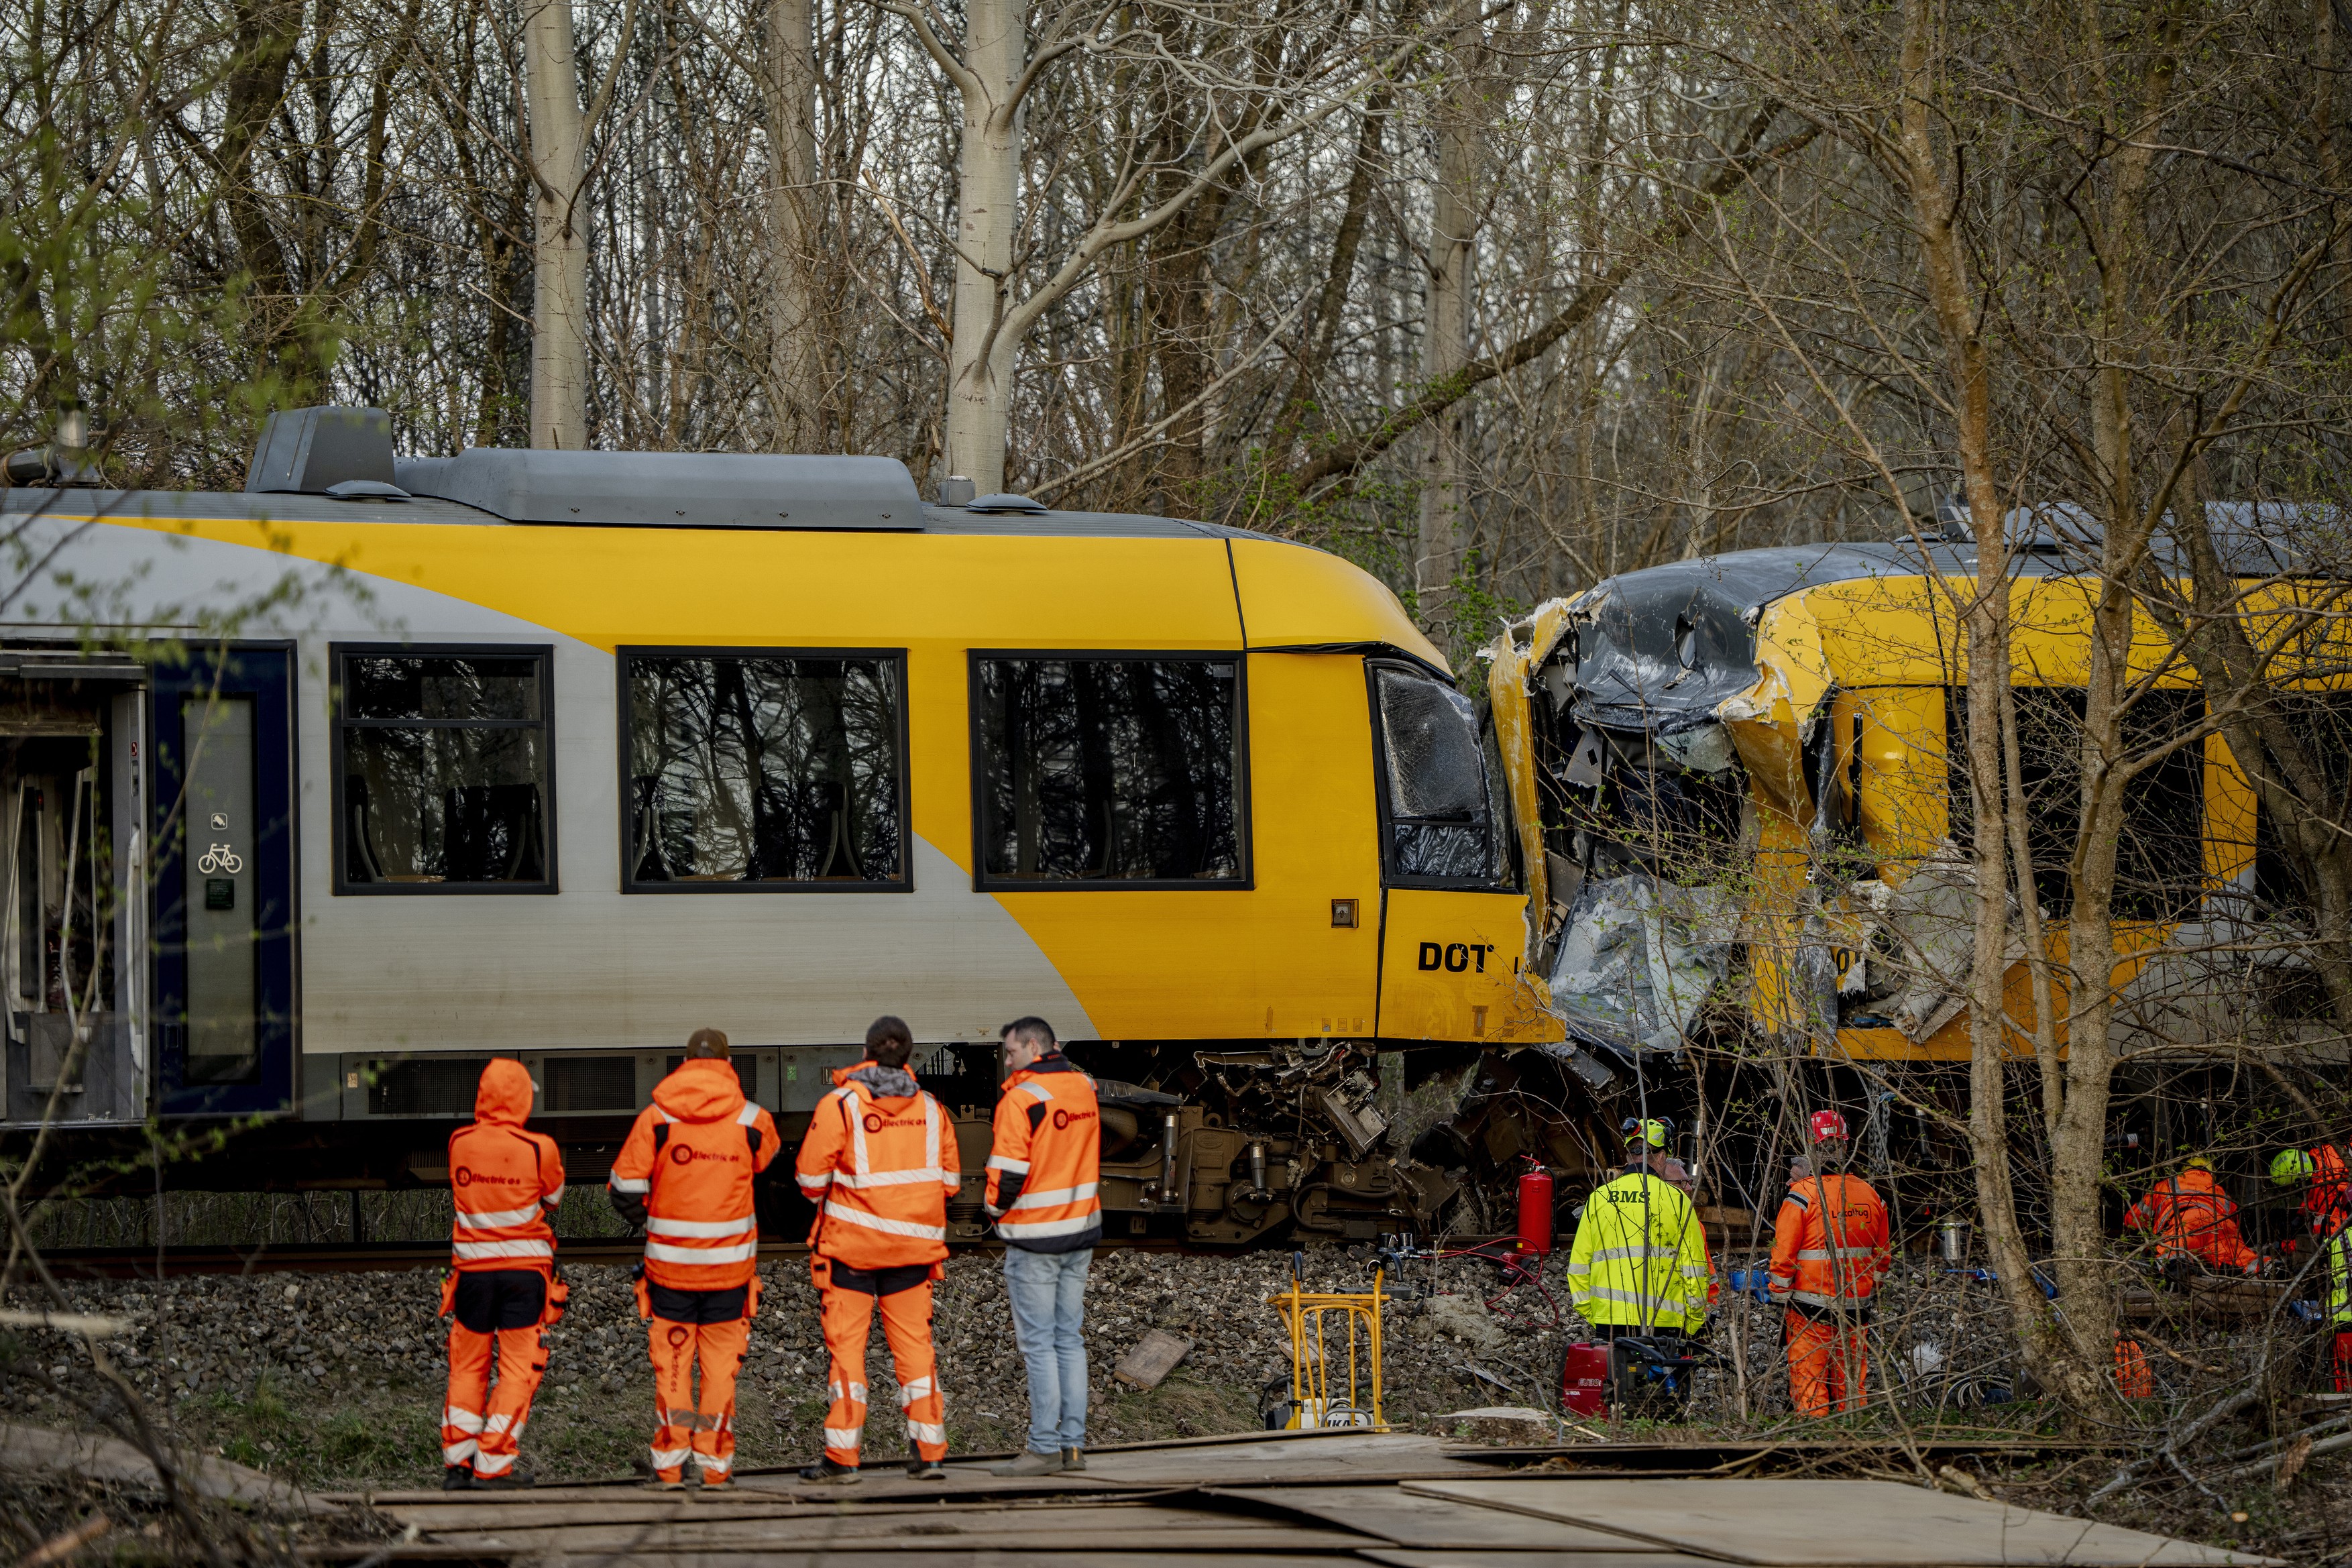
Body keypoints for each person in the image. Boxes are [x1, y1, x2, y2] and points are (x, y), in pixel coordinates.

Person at [608, 1028, 780, 1490]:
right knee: (720, 1372)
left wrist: (657, 1215)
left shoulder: (657, 1118)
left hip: (671, 1277)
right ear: (729, 1064)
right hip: (730, 1277)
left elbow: (623, 1190)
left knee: (674, 1368)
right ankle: (714, 1467)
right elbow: (765, 1161)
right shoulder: (752, 1120)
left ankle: (669, 1466)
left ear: (683, 1062)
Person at [793, 1015, 962, 1484]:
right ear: (909, 1056)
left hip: (851, 1252)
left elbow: (808, 1181)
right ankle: (929, 1454)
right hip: (912, 1253)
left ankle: (843, 1460)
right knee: (915, 1350)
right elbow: (949, 1183)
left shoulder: (840, 1105)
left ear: (866, 1053)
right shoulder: (932, 1109)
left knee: (847, 1352)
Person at [441, 1058, 566, 1490]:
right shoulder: (540, 1148)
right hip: (523, 1278)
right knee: (517, 1371)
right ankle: (492, 1465)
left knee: (467, 1368)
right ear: (523, 1098)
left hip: (471, 1277)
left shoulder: (459, 1141)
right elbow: (553, 1198)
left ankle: (457, 1467)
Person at [985, 1017, 1103, 1477]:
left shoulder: (1022, 1098)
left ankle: (1042, 1447)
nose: (1007, 1061)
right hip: (1080, 1233)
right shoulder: (1083, 1088)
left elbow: (1007, 1175)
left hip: (1036, 1239)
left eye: (1010, 1053)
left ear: (1033, 1046)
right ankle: (1073, 1447)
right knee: (1068, 1341)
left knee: (1039, 1346)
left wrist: (993, 1210)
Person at [1565, 1117, 1714, 1409]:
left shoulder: (1599, 1199)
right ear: (1660, 1156)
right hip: (1666, 1325)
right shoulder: (1677, 1201)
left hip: (1610, 1322)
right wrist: (1694, 1321)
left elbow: (1578, 1267)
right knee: (1664, 1403)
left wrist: (1592, 1315)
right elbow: (1695, 1270)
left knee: (1616, 1399)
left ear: (1628, 1155)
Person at [1767, 1110, 1890, 1418]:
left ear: (1811, 1147)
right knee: (1851, 1387)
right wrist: (1867, 1290)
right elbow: (1882, 1258)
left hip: (1809, 1311)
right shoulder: (1871, 1195)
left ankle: (1815, 1443)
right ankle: (1854, 1444)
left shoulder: (1803, 1195)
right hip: (1855, 1310)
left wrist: (1778, 1295)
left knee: (1810, 1386)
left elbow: (1783, 1256)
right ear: (1846, 1145)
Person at [2124, 1156, 2261, 1281]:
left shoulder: (2167, 1184)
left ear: (2184, 1170)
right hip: (2220, 1227)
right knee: (2244, 1260)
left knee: (2174, 1257)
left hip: (2185, 1225)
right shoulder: (2221, 1192)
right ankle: (2269, 1269)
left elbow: (2135, 1218)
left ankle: (2182, 1277)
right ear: (2212, 1173)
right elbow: (2235, 1224)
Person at [2271, 1143, 2350, 1241]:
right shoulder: (2326, 1152)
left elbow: (2323, 1236)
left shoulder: (2326, 1190)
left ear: (2299, 1182)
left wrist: (2284, 1246)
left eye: (2290, 1188)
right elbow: (2312, 1194)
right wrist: (2300, 1215)